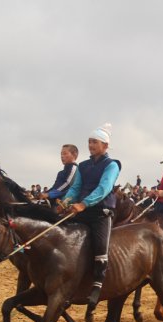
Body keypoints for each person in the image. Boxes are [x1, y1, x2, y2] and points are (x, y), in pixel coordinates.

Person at [62, 123, 121, 311]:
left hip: (100, 213)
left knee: (100, 246)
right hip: (81, 210)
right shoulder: (84, 165)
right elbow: (76, 187)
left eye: (94, 142)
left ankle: (98, 283)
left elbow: (104, 188)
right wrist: (66, 201)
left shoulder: (112, 165)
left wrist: (84, 203)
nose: (91, 145)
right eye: (89, 142)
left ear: (105, 145)